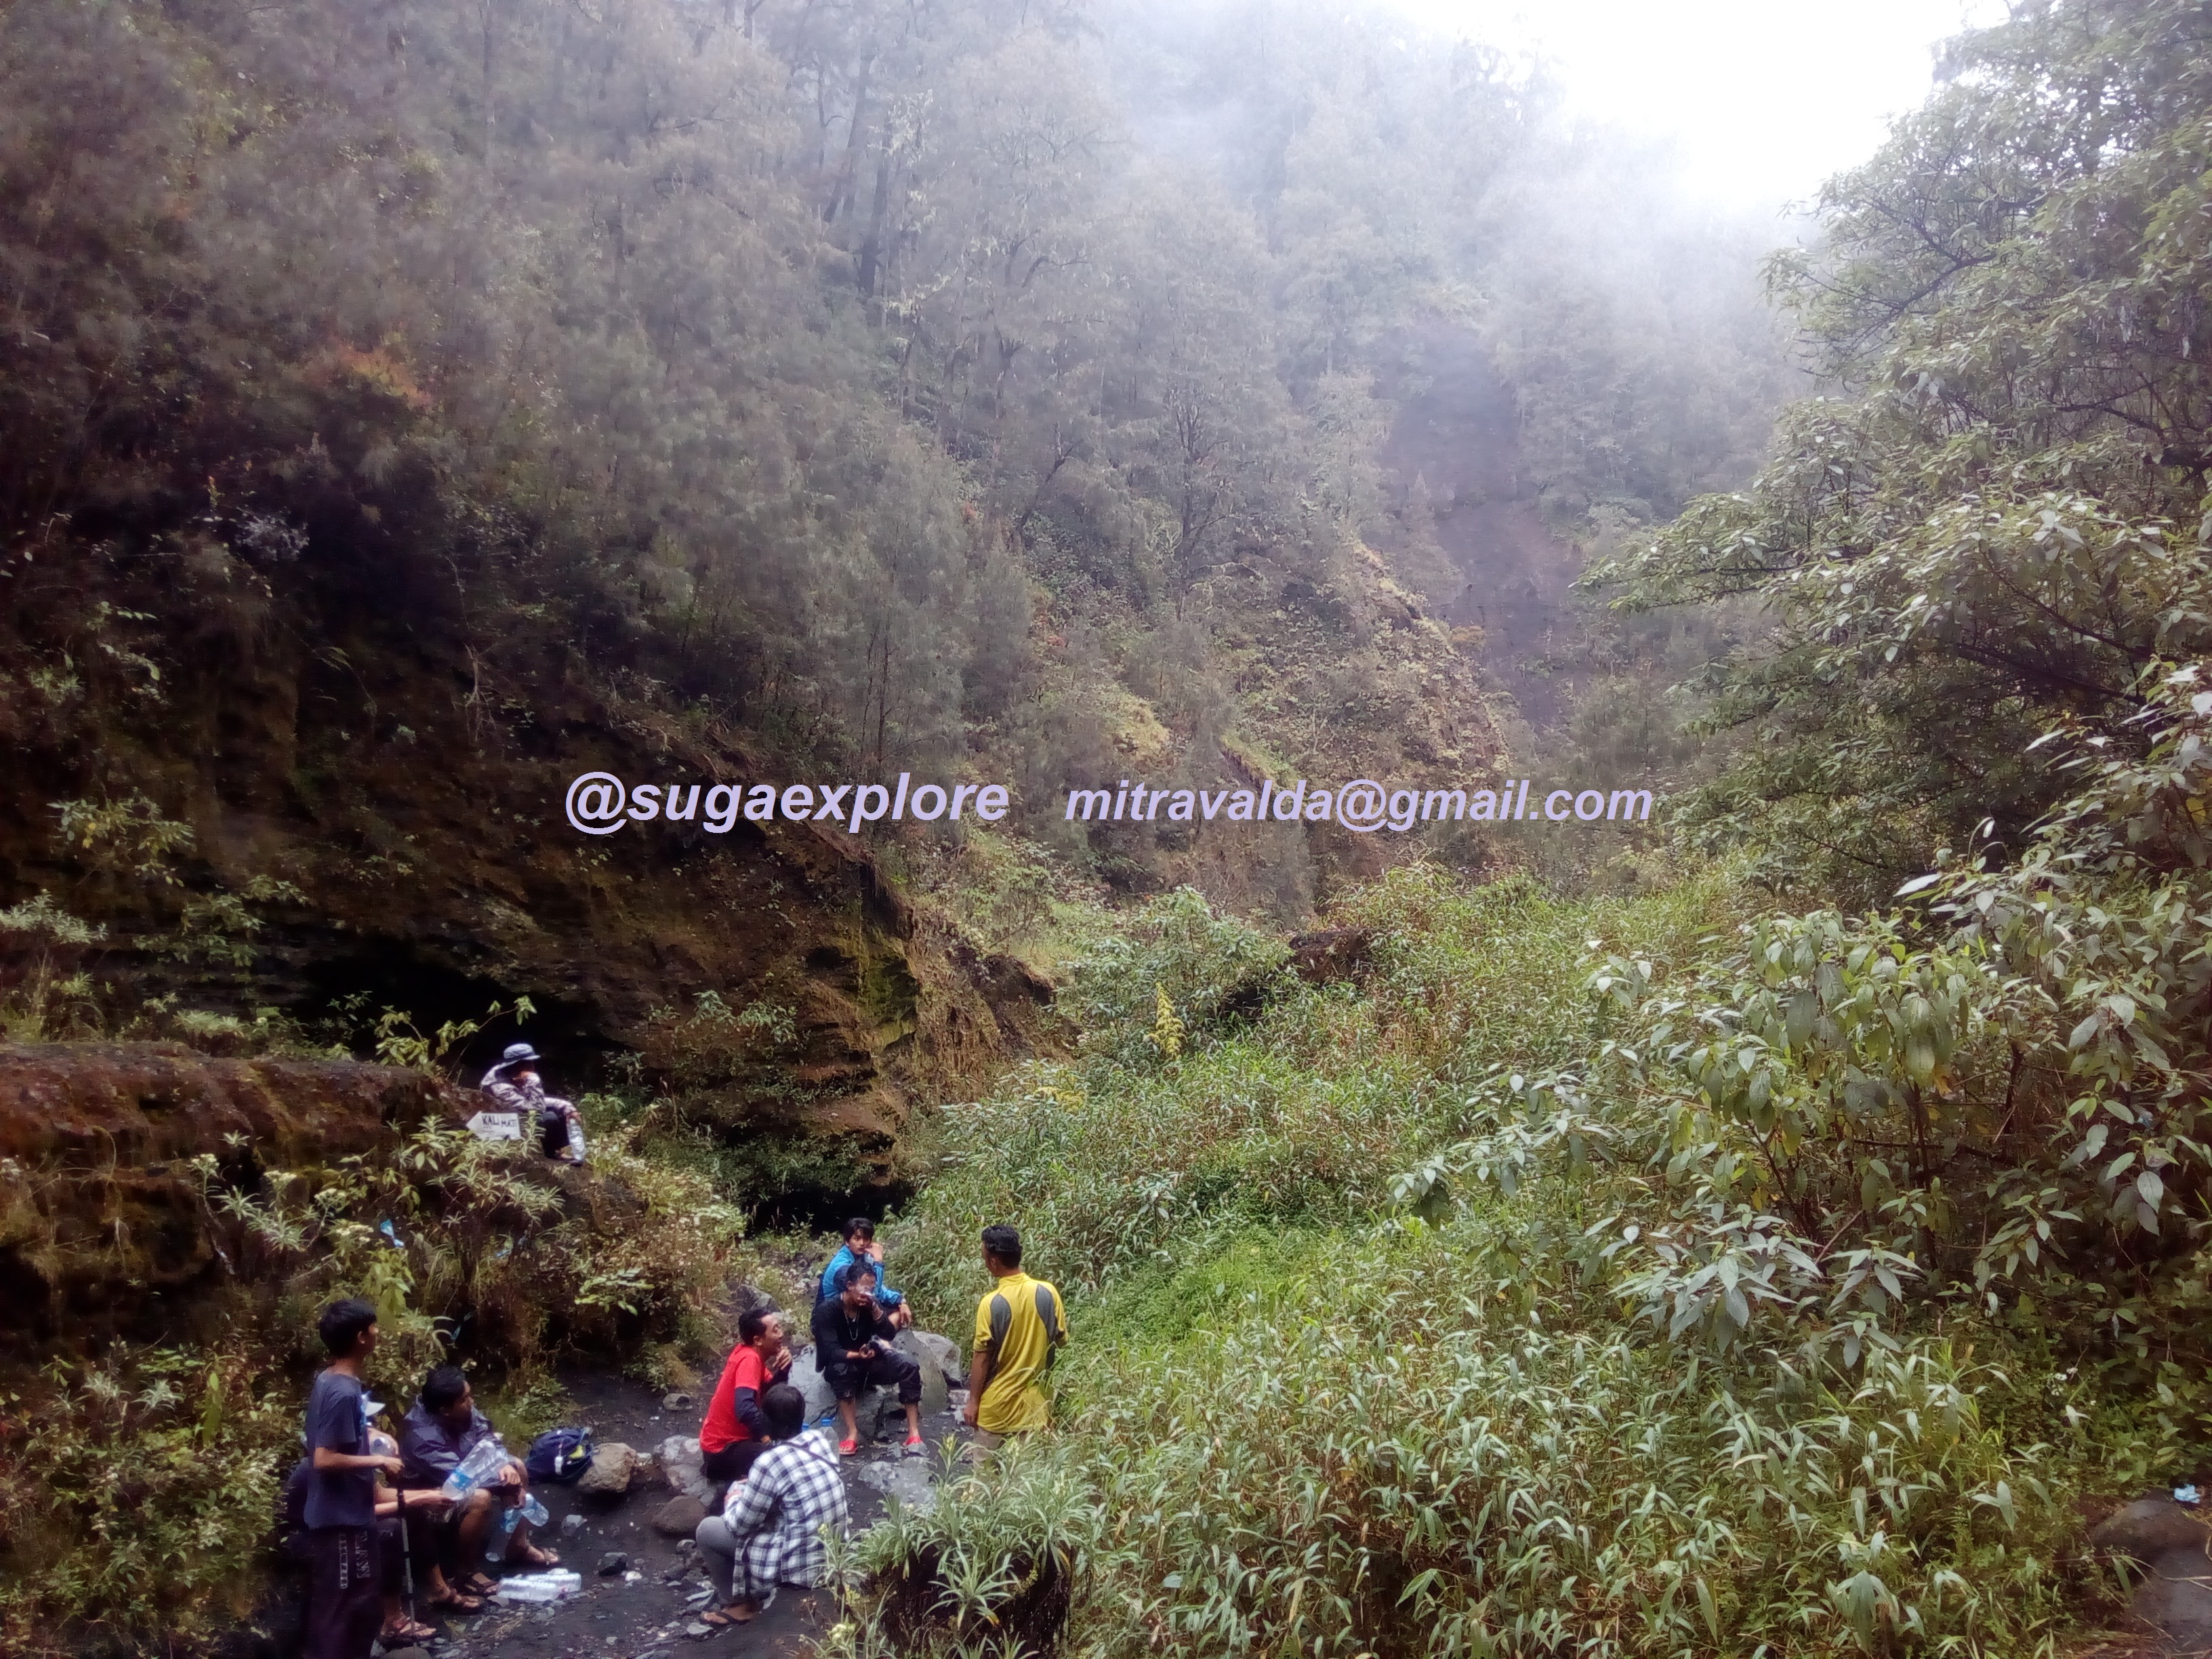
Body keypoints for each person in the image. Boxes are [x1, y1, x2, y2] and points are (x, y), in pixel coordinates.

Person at [397, 1364, 558, 1599]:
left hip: (465, 1472)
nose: (471, 1401)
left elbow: (485, 1435)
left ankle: (518, 1546)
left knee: (517, 1467)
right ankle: (466, 1573)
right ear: (444, 1410)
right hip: (432, 1496)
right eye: (465, 1399)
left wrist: (503, 1462)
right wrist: (507, 1483)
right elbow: (461, 1478)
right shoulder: (421, 1437)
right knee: (480, 1498)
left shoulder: (461, 1409)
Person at [693, 1383, 847, 1627]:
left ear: (768, 1421)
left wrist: (734, 1496)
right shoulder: (820, 1441)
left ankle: (739, 1603)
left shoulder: (769, 1462)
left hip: (800, 1568)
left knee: (708, 1530)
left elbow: (739, 1525)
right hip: (832, 1560)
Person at [302, 1298, 402, 1659]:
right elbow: (323, 1458)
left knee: (347, 1608)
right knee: (348, 1611)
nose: (378, 1333)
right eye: (374, 1328)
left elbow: (333, 1431)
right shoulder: (343, 1391)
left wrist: (372, 1432)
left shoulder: (332, 1380)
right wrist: (377, 1460)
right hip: (341, 1521)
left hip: (346, 1515)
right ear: (361, 1337)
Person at [961, 1225, 1067, 1452]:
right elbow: (1060, 1341)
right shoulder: (1049, 1293)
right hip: (1036, 1408)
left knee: (985, 1480)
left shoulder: (991, 1303)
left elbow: (982, 1358)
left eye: (984, 1256)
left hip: (996, 1409)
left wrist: (973, 1402)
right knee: (1028, 1481)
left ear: (994, 1262)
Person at [808, 1262, 923, 1456]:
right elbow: (829, 1351)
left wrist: (877, 1312)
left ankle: (913, 1432)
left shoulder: (870, 1306)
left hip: (869, 1361)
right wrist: (856, 1355)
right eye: (863, 1288)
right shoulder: (827, 1310)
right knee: (840, 1369)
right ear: (849, 1285)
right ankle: (852, 1433)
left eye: (871, 1289)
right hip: (843, 1363)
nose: (866, 1294)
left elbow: (888, 1334)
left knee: (909, 1366)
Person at [699, 1307, 794, 1483]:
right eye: (775, 1330)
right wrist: (766, 1439)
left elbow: (774, 1397)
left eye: (779, 1327)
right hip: (722, 1451)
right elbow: (744, 1409)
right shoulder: (749, 1359)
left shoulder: (749, 1355)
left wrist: (783, 1370)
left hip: (728, 1445)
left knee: (787, 1422)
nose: (781, 1334)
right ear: (758, 1340)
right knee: (781, 1458)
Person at [480, 1042, 585, 1162]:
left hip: (513, 1115)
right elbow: (536, 1108)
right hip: (497, 1125)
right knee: (549, 1118)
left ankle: (558, 1149)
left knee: (562, 1110)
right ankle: (551, 1153)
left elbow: (531, 1101)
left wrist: (567, 1106)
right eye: (528, 1063)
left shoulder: (512, 1074)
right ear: (517, 1065)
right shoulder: (500, 1086)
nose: (532, 1066)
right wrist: (533, 1080)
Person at [816, 1217, 912, 1328]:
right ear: (847, 1241)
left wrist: (901, 1301)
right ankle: (876, 1341)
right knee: (884, 1315)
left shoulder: (863, 1258)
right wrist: (878, 1261)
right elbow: (872, 1293)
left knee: (897, 1313)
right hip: (829, 1322)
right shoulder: (841, 1266)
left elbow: (880, 1290)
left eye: (866, 1239)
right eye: (857, 1239)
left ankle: (877, 1340)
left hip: (852, 1314)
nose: (862, 1243)